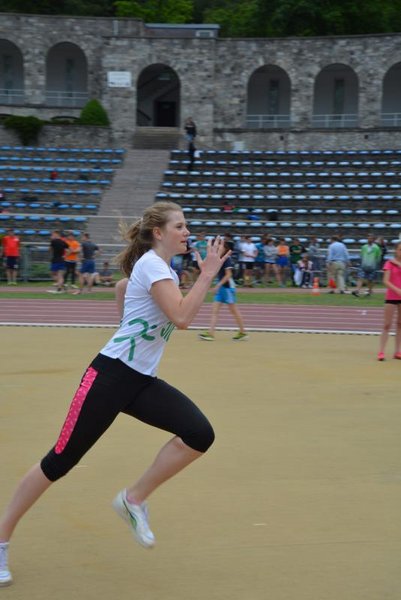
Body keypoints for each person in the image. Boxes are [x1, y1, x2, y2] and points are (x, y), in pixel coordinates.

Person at [0, 201, 229, 587]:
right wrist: (207, 273)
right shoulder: (154, 265)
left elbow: (125, 286)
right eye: (180, 226)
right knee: (59, 461)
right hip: (108, 377)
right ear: (159, 233)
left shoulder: (157, 268)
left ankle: (133, 499)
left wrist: (126, 315)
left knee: (198, 434)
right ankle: (1, 540)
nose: (187, 232)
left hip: (140, 381)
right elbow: (182, 318)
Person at [198, 240, 248, 342]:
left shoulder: (227, 259)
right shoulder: (218, 259)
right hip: (221, 288)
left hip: (228, 288)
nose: (217, 248)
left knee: (234, 311)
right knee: (214, 311)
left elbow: (228, 275)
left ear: (225, 249)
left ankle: (243, 332)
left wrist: (218, 285)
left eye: (220, 247)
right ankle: (210, 333)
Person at [377, 241, 401, 361]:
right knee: (387, 324)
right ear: (396, 250)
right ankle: (381, 351)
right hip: (391, 297)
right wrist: (397, 290)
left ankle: (397, 351)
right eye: (400, 250)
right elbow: (385, 281)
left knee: (400, 324)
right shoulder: (389, 263)